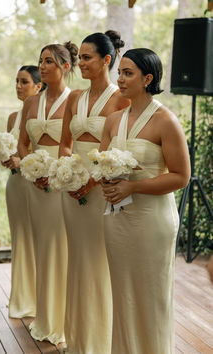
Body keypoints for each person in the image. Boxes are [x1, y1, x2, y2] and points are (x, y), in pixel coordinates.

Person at [100, 48, 191, 354]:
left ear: (147, 78)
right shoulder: (112, 120)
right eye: (120, 72)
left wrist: (132, 188)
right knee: (123, 294)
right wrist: (107, 181)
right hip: (116, 220)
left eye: (128, 73)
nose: (120, 79)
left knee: (151, 295)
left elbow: (181, 176)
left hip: (151, 222)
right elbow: (101, 164)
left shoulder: (166, 120)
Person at [59, 30, 130, 354]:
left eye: (87, 57)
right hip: (71, 191)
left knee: (100, 262)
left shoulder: (121, 99)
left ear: (106, 59)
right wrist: (66, 173)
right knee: (77, 260)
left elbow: (119, 150)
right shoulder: (74, 98)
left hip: (103, 191)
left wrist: (91, 180)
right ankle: (78, 339)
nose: (81, 63)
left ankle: (100, 343)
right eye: (80, 58)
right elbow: (65, 143)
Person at [18, 42, 78, 347]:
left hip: (62, 182)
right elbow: (22, 144)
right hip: (36, 186)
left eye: (49, 61)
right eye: (40, 61)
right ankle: (44, 317)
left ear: (65, 67)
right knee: (42, 248)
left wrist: (57, 172)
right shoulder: (31, 104)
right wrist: (33, 169)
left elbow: (76, 145)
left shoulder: (75, 101)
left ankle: (64, 322)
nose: (42, 66)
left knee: (62, 250)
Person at [2, 65, 42, 318]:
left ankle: (43, 298)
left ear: (38, 86)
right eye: (16, 81)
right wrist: (7, 158)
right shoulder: (12, 118)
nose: (18, 86)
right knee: (21, 241)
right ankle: (22, 296)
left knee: (41, 240)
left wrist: (24, 162)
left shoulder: (42, 117)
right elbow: (12, 149)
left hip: (37, 184)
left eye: (24, 82)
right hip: (16, 185)